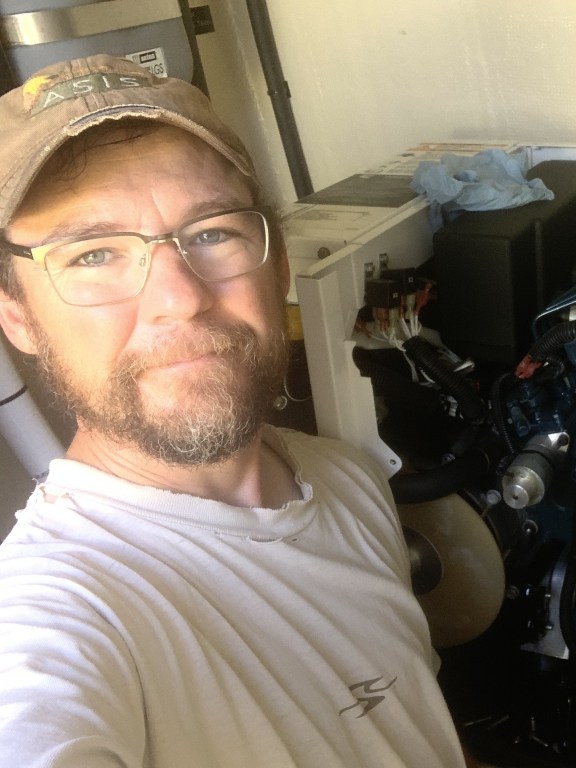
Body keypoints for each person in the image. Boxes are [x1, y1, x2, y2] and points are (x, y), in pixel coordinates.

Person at [0, 54, 468, 767]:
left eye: (213, 232)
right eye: (93, 254)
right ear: (19, 319)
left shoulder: (349, 481)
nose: (180, 298)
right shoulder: (54, 610)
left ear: (277, 268)